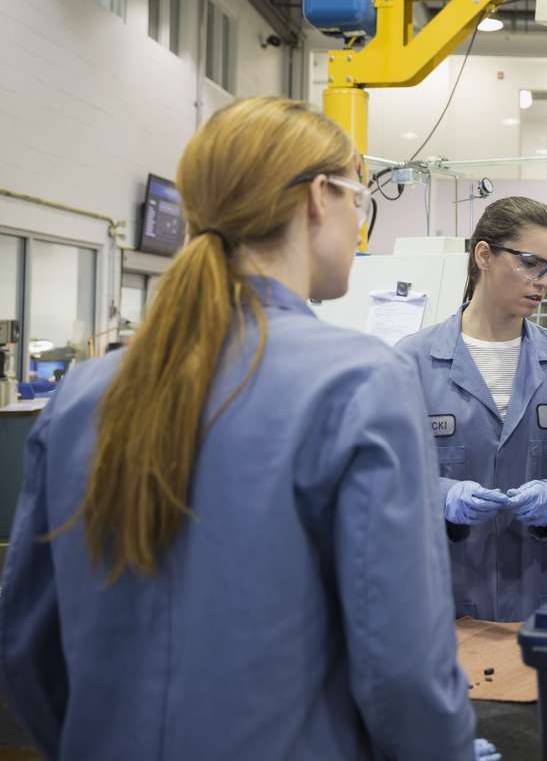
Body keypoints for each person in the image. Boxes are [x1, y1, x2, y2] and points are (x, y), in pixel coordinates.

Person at [0, 98, 495, 761]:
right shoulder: (359, 383)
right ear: (320, 196)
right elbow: (404, 670)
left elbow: (27, 644)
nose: (359, 227)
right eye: (359, 202)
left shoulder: (83, 395)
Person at [396, 197, 547, 622]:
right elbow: (383, 480)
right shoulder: (411, 362)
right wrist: (441, 497)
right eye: (530, 263)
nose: (542, 282)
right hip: (442, 600)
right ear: (484, 254)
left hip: (542, 596)